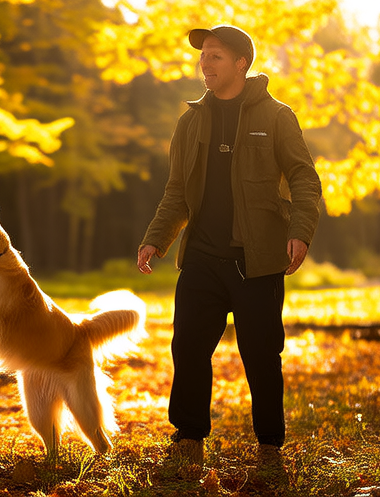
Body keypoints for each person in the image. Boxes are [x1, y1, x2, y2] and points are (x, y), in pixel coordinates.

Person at [136, 25, 322, 463]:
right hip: (201, 256)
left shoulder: (276, 117)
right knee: (188, 347)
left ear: (242, 63)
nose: (205, 62)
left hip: (255, 260)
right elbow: (177, 190)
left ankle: (269, 446)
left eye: (215, 55)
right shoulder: (190, 121)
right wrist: (155, 239)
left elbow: (303, 178)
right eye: (203, 55)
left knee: (260, 354)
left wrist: (300, 229)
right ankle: (188, 438)